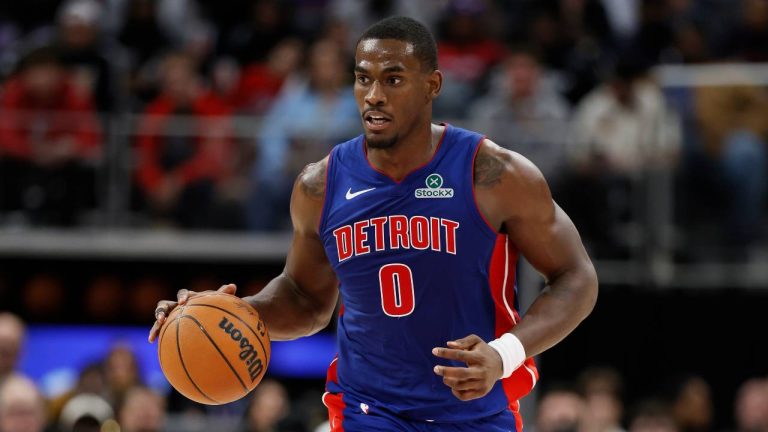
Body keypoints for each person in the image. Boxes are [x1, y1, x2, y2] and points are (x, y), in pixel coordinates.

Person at [149, 16, 598, 431]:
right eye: (363, 79)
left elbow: (576, 277)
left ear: (432, 85)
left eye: (393, 79)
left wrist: (504, 355)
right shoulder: (319, 184)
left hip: (477, 412)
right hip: (368, 410)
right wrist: (229, 314)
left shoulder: (494, 173)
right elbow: (305, 300)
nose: (374, 95)